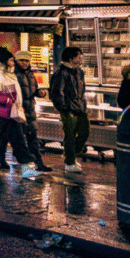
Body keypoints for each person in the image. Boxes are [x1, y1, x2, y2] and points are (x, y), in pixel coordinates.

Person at [0, 47, 42, 177]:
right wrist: (5, 100)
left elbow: (17, 93)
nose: (14, 63)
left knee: (19, 140)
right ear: (5, 61)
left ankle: (26, 167)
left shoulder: (11, 74)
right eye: (11, 60)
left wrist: (18, 106)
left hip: (12, 114)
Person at [0, 50, 53, 172]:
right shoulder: (11, 73)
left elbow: (32, 90)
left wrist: (39, 93)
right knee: (12, 138)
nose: (24, 63)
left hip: (29, 110)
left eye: (27, 60)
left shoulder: (31, 74)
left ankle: (39, 163)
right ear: (16, 61)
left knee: (32, 137)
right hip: (16, 111)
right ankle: (1, 159)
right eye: (21, 60)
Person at [50, 46, 89, 174]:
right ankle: (70, 162)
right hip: (68, 109)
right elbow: (56, 93)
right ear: (70, 58)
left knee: (85, 132)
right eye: (78, 56)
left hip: (80, 108)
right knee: (70, 136)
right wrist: (64, 108)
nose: (81, 58)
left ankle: (69, 155)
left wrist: (83, 104)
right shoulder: (61, 73)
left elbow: (82, 90)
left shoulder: (79, 72)